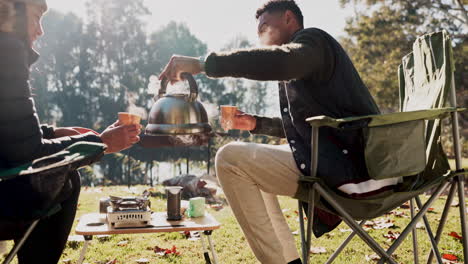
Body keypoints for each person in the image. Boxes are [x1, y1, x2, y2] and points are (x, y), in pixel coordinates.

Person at [159, 1, 401, 263]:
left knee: (229, 159)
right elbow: (309, 127)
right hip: (344, 162)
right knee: (254, 162)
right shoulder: (302, 65)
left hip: (357, 168)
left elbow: (283, 62)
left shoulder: (313, 41)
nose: (260, 36)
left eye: (264, 26)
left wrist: (205, 65)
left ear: (289, 18)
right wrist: (256, 124)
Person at [0, 0, 141, 263]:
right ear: (12, 11)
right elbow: (28, 156)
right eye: (35, 17)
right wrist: (100, 143)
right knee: (63, 178)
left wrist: (51, 133)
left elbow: (8, 134)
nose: (40, 30)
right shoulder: (6, 51)